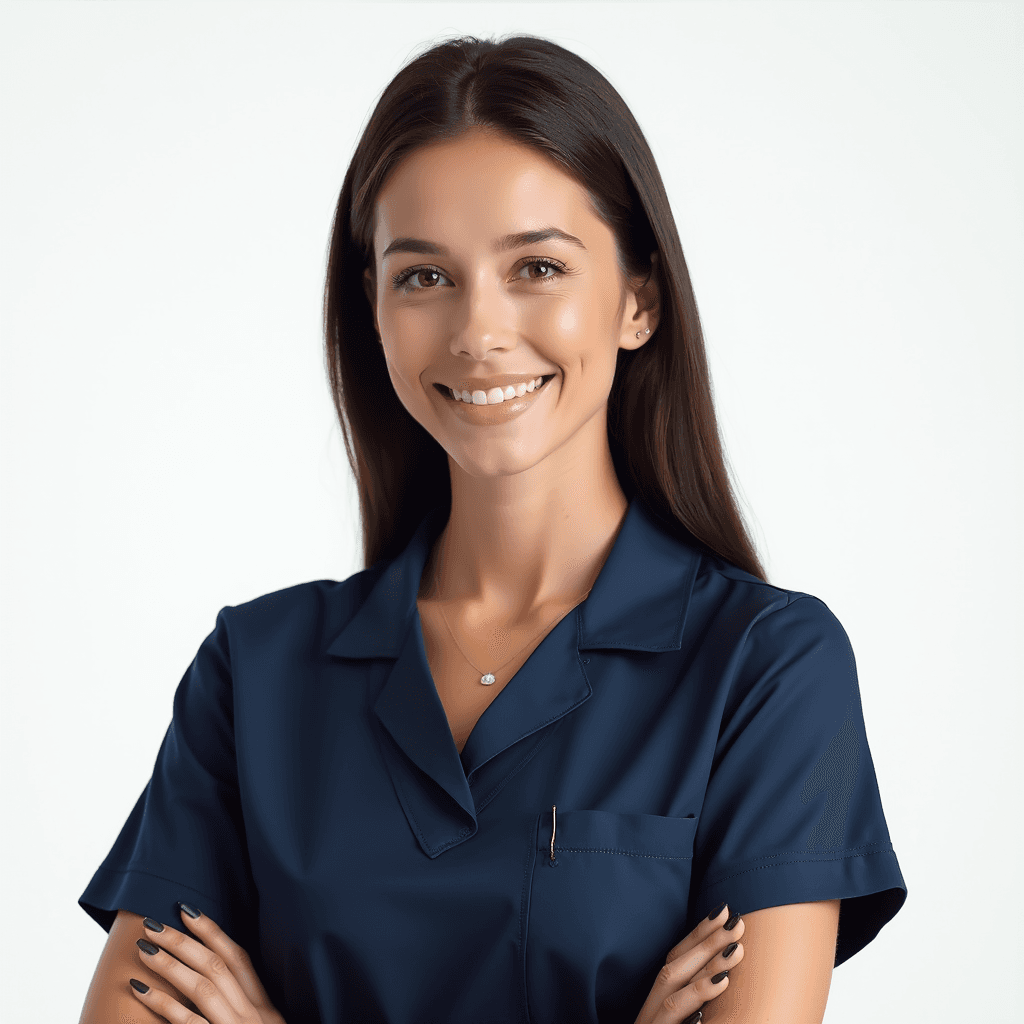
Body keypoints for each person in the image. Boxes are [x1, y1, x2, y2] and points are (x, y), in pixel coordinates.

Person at [77, 33, 906, 1024]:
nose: (478, 330)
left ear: (637, 299)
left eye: (537, 267)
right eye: (423, 277)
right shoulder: (253, 674)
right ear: (374, 309)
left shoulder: (766, 670)